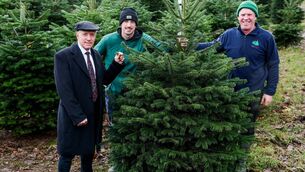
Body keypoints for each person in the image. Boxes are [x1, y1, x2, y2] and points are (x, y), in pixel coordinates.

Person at [197, 1, 280, 171]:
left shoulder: (266, 37)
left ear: (255, 16)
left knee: (248, 127)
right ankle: (226, 156)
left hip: (253, 91)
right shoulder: (229, 35)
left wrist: (270, 91)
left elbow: (273, 65)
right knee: (227, 124)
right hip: (229, 91)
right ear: (238, 17)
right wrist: (189, 45)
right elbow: (211, 48)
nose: (246, 18)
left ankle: (241, 160)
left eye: (249, 14)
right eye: (242, 15)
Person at [54, 21, 125, 172]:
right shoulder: (63, 56)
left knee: (87, 154)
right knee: (67, 155)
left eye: (92, 35)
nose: (88, 38)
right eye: (85, 34)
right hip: (73, 115)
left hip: (92, 114)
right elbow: (64, 90)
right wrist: (78, 116)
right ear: (77, 35)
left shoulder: (96, 55)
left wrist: (116, 64)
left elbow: (103, 80)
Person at [95, 7, 166, 124]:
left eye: (132, 22)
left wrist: (186, 44)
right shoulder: (108, 39)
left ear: (136, 24)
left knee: (136, 126)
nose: (129, 25)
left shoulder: (143, 39)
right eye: (126, 22)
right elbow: (92, 56)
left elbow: (164, 48)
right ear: (121, 24)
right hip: (113, 91)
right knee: (115, 125)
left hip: (136, 92)